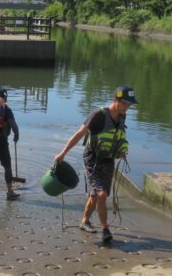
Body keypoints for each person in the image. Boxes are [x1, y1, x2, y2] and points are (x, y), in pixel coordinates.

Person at [54, 85, 137, 244]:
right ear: (116, 100)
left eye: (130, 104)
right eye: (125, 103)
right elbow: (79, 134)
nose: (128, 107)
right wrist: (63, 153)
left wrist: (122, 150)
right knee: (101, 194)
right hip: (92, 159)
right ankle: (105, 230)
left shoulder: (122, 116)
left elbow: (120, 136)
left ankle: (84, 221)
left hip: (108, 160)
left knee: (95, 194)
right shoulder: (98, 115)